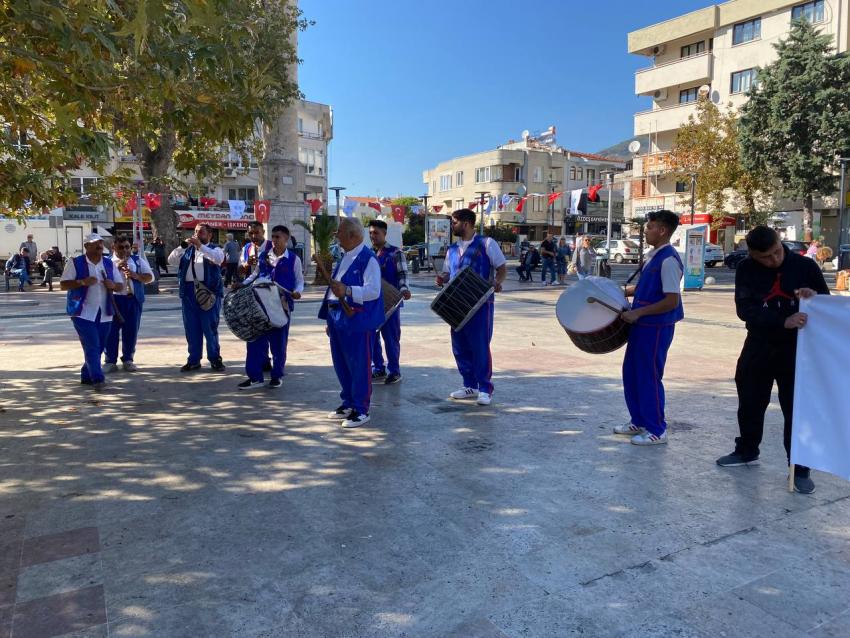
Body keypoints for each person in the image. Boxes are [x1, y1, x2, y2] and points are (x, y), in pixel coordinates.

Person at [716, 225, 829, 494]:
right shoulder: (746, 269)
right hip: (759, 344)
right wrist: (782, 320)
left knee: (796, 408)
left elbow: (826, 304)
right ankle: (746, 450)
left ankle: (799, 467)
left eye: (777, 252)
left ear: (780, 243)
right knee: (750, 400)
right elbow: (745, 309)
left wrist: (812, 300)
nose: (774, 260)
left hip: (797, 350)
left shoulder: (804, 266)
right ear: (752, 254)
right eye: (765, 257)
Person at [614, 210, 684, 445]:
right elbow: (646, 288)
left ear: (662, 230)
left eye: (650, 227)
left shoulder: (669, 261)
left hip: (656, 328)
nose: (646, 230)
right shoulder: (653, 255)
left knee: (649, 377)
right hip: (642, 326)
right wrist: (619, 291)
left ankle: (657, 430)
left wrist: (638, 312)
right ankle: (639, 420)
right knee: (632, 373)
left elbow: (671, 300)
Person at [436, 208, 507, 406]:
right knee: (459, 346)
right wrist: (442, 279)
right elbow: (448, 276)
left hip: (480, 304)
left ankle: (485, 388)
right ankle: (470, 385)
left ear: (466, 223)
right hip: (456, 305)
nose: (452, 226)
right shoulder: (451, 250)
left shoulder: (487, 243)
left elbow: (501, 268)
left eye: (454, 222)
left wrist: (496, 282)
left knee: (479, 346)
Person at [319, 217, 383, 428]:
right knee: (342, 364)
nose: (336, 236)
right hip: (338, 318)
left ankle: (361, 409)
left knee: (359, 366)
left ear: (352, 235)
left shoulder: (368, 259)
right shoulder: (345, 257)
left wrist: (347, 290)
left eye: (339, 232)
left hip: (357, 319)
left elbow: (373, 291)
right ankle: (348, 402)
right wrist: (330, 319)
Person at [236, 225, 304, 389]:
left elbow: (300, 280)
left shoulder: (294, 259)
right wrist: (242, 284)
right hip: (261, 305)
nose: (274, 240)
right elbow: (255, 274)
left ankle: (277, 376)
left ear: (286, 239)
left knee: (279, 344)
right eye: (273, 237)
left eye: (278, 237)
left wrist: (298, 291)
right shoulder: (264, 256)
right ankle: (255, 377)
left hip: (281, 306)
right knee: (254, 341)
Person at [59, 233, 123, 390]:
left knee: (99, 346)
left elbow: (121, 286)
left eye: (101, 243)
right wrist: (82, 282)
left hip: (105, 312)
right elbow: (63, 284)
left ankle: (86, 374)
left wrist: (113, 285)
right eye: (95, 243)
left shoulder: (109, 264)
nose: (99, 246)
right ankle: (98, 378)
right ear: (86, 246)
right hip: (82, 312)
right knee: (93, 345)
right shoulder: (75, 263)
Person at [168, 224, 226, 372]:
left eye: (201, 232)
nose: (197, 234)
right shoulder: (187, 250)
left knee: (210, 328)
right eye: (195, 232)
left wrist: (201, 246)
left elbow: (218, 259)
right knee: (192, 329)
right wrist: (183, 246)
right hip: (188, 293)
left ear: (209, 235)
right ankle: (193, 360)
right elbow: (171, 260)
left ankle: (215, 359)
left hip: (208, 292)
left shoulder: (215, 249)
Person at [368, 219, 411, 385]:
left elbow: (403, 274)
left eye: (376, 233)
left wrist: (404, 289)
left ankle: (395, 371)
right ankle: (378, 368)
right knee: (372, 337)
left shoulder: (395, 253)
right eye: (371, 233)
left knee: (391, 338)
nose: (373, 236)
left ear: (384, 234)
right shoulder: (368, 254)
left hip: (391, 304)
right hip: (372, 304)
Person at [103, 236, 154, 373]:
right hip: (114, 300)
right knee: (111, 332)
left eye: (127, 247)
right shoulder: (107, 262)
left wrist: (135, 275)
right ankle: (110, 361)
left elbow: (150, 277)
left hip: (132, 300)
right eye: (121, 247)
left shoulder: (137, 260)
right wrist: (116, 268)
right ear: (113, 247)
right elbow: (102, 280)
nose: (125, 250)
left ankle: (128, 359)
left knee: (131, 331)